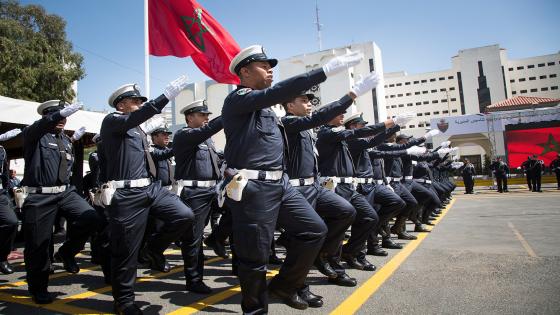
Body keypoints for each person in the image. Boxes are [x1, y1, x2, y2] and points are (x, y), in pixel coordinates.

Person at [221, 45, 363, 313]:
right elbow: (278, 93)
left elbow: (315, 117)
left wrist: (351, 95)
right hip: (255, 187)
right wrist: (324, 71)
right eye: (264, 65)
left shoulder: (268, 110)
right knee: (255, 258)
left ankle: (285, 285)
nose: (270, 69)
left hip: (280, 184)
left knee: (314, 230)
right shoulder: (238, 100)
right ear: (245, 71)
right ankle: (254, 310)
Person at [100, 79, 195, 315]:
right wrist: (163, 98)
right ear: (121, 105)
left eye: (142, 101)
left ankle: (152, 249)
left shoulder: (138, 131)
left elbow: (154, 155)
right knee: (126, 252)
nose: (139, 105)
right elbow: (135, 118)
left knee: (184, 215)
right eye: (135, 102)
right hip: (126, 194)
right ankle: (124, 302)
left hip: (149, 188)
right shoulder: (112, 121)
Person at [281, 85, 365, 290]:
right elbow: (317, 119)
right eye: (303, 100)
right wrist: (349, 96)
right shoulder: (288, 123)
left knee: (345, 211)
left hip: (315, 186)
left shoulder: (305, 127)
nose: (309, 103)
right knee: (305, 237)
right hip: (297, 190)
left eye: (310, 101)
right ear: (290, 106)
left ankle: (324, 255)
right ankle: (296, 285)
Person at [20, 101, 103, 304]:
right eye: (55, 115)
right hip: (41, 196)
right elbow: (39, 127)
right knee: (38, 245)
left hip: (65, 193)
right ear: (45, 117)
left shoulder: (65, 141)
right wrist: (56, 116)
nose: (61, 119)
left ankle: (66, 253)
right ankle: (38, 288)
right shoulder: (34, 134)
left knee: (93, 219)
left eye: (64, 116)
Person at [173, 99, 223, 294]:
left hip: (213, 190)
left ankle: (217, 239)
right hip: (195, 193)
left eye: (208, 116)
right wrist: (230, 113)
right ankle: (194, 280)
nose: (206, 119)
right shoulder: (184, 135)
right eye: (202, 115)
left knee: (237, 215)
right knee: (193, 238)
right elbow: (208, 130)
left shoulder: (206, 140)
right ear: (189, 117)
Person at [0, 129, 21, 275]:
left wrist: (6, 193)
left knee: (11, 222)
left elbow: (5, 173)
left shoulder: (1, 149)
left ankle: (2, 257)